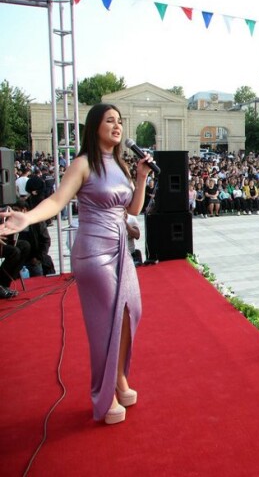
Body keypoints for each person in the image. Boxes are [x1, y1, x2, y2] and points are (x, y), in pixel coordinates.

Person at [0, 103, 155, 425]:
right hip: (94, 252)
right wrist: (27, 217)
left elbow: (133, 209)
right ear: (95, 127)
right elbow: (57, 200)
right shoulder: (83, 164)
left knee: (131, 313)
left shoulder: (122, 166)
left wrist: (141, 177)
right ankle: (105, 394)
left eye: (119, 121)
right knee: (106, 323)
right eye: (110, 121)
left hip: (121, 250)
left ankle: (119, 377)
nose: (117, 126)